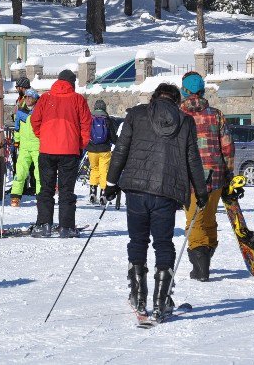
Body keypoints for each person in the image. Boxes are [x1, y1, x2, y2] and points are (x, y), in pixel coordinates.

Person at [104, 83, 208, 319]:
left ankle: (138, 296)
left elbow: (121, 149)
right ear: (176, 100)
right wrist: (200, 191)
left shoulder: (137, 114)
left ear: (155, 97)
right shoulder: (185, 121)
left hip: (136, 189)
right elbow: (193, 158)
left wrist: (111, 184)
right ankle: (161, 300)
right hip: (167, 191)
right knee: (164, 243)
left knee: (137, 241)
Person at [179, 72, 235, 282]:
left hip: (190, 177)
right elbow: (228, 147)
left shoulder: (179, 115)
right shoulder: (217, 115)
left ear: (184, 91)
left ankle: (201, 265)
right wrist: (229, 172)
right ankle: (205, 256)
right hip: (216, 174)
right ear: (202, 91)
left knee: (194, 221)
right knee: (209, 218)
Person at [30, 69, 92, 238]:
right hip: (69, 151)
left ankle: (44, 225)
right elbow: (86, 125)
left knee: (46, 189)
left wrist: (44, 136)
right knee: (66, 190)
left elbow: (34, 120)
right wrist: (79, 145)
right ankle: (66, 227)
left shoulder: (45, 98)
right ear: (72, 83)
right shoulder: (78, 99)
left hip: (47, 150)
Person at [11, 89, 41, 207]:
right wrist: (16, 141)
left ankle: (40, 196)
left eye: (30, 97)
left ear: (35, 99)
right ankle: (15, 196)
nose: (27, 99)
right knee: (20, 172)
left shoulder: (40, 112)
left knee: (39, 173)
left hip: (38, 147)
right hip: (24, 147)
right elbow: (17, 128)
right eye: (26, 97)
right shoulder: (20, 113)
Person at [86, 99, 118, 205]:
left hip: (91, 149)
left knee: (94, 169)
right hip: (104, 150)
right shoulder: (107, 119)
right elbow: (113, 137)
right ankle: (103, 194)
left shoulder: (89, 119)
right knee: (104, 171)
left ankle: (92, 192)